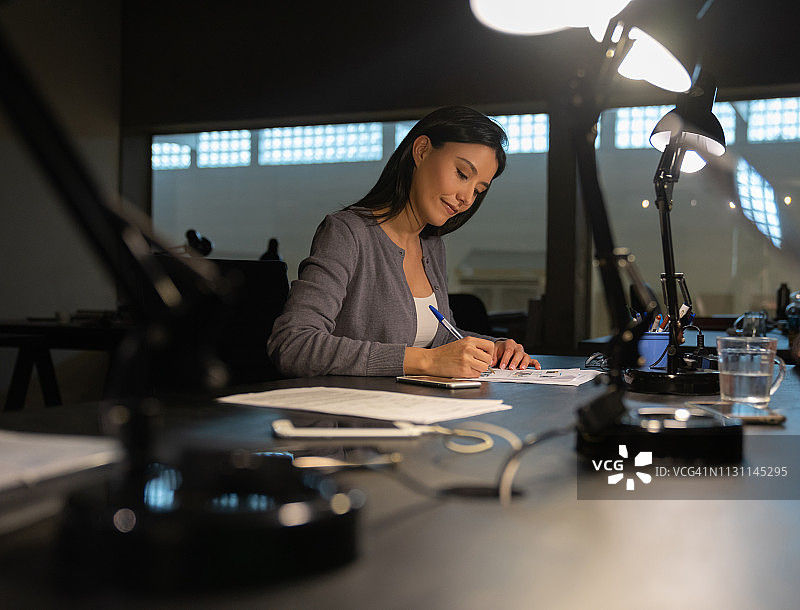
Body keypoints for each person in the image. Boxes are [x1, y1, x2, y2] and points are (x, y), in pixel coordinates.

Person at [268, 106, 540, 377]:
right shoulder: (347, 232)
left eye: (479, 190)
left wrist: (494, 348)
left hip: (417, 411)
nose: (467, 198)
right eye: (462, 174)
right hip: (356, 414)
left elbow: (442, 340)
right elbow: (293, 344)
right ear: (422, 150)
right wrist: (426, 362)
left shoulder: (431, 246)